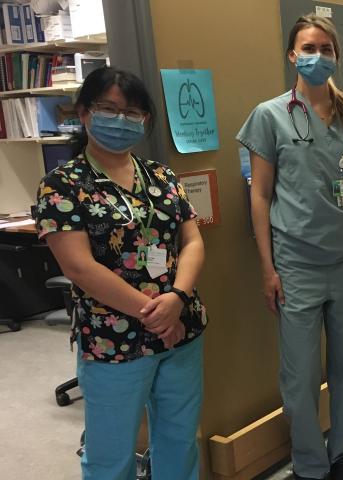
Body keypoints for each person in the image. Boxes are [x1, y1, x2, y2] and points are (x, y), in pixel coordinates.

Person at [34, 67, 208, 479]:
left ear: (145, 119)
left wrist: (177, 301)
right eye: (108, 109)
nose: (120, 120)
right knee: (111, 453)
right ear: (83, 112)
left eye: (131, 112)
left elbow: (193, 243)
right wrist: (156, 314)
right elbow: (79, 266)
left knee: (179, 441)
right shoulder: (62, 185)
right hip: (114, 339)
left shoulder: (163, 178)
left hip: (181, 329)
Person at [236, 14, 343, 480]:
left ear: (336, 55)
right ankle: (309, 465)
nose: (317, 56)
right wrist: (267, 267)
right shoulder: (269, 115)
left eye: (326, 48)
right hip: (295, 263)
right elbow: (259, 195)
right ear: (291, 55)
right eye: (308, 47)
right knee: (299, 377)